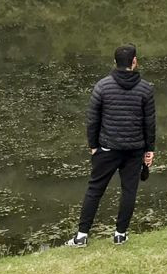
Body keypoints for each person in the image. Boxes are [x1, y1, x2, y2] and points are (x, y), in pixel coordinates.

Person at [64, 44, 156, 246]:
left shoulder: (102, 86)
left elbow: (92, 120)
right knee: (129, 191)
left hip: (107, 147)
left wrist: (93, 145)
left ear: (115, 63)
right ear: (134, 62)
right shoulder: (146, 89)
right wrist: (149, 150)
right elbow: (149, 122)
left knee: (95, 190)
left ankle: (81, 237)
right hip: (134, 149)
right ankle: (120, 235)